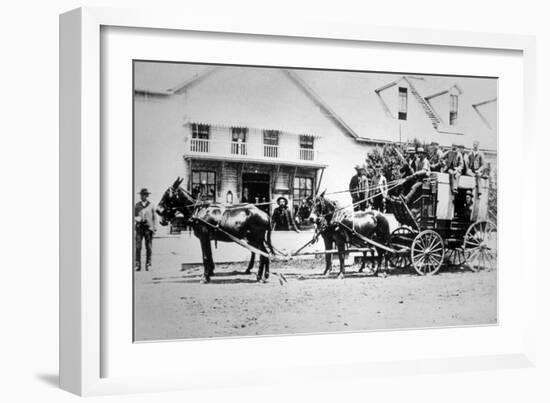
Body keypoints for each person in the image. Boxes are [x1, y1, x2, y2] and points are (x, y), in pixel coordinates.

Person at [134, 188, 157, 271]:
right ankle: (137, 264)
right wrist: (137, 219)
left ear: (147, 196)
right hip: (139, 228)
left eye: (144, 195)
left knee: (149, 247)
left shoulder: (151, 205)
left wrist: (154, 227)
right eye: (141, 195)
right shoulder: (137, 205)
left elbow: (154, 217)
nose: (142, 196)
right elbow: (134, 216)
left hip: (148, 229)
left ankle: (148, 263)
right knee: (138, 247)